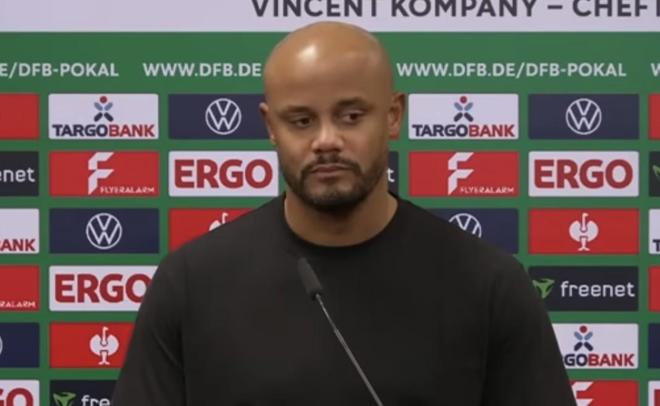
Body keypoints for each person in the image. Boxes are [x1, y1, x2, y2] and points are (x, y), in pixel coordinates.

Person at [112, 21, 576, 405]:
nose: (326, 140)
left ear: (393, 115)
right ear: (270, 127)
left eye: (351, 116)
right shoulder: (191, 282)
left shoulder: (490, 284)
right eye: (301, 121)